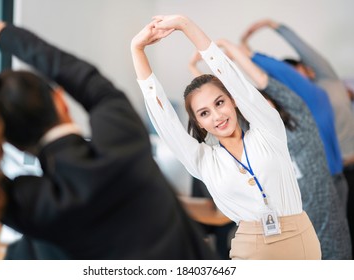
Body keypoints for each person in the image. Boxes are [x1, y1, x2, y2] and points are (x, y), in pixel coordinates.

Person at [0, 12, 218, 260]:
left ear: (11, 142)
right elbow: (73, 71)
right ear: (60, 100)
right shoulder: (122, 136)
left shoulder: (32, 205)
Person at [131, 14, 321, 260]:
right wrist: (137, 49)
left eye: (220, 102)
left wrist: (185, 24)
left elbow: (231, 76)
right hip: (250, 247)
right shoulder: (203, 160)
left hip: (301, 241)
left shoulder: (267, 130)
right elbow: (162, 115)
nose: (217, 116)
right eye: (204, 113)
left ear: (233, 100)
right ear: (199, 122)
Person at [188, 39, 352, 259]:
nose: (261, 108)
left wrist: (230, 49)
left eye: (266, 102)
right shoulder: (254, 139)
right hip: (281, 233)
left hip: (324, 225)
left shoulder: (301, 119)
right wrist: (194, 71)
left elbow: (261, 81)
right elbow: (213, 104)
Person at [240, 23, 349, 221]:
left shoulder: (322, 87)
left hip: (337, 172)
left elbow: (291, 61)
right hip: (329, 175)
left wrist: (270, 29)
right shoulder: (297, 104)